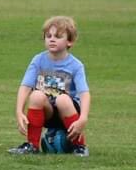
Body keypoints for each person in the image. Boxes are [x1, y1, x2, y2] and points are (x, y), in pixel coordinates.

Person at [9, 15, 91, 156]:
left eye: (58, 36)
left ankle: (79, 145)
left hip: (68, 111)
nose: (52, 39)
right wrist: (19, 111)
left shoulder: (75, 65)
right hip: (48, 112)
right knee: (36, 95)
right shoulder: (38, 60)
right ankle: (32, 145)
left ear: (69, 41)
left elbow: (84, 93)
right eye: (48, 36)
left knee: (62, 99)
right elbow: (25, 87)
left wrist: (83, 118)